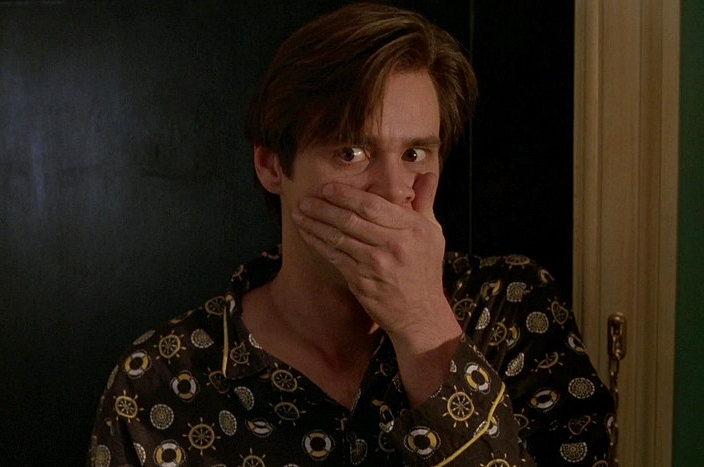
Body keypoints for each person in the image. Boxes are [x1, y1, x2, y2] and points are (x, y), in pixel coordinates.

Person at [88, 3, 613, 466]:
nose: (392, 191)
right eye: (351, 153)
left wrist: (424, 325)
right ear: (273, 166)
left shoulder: (511, 311)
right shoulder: (161, 379)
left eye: (415, 153)